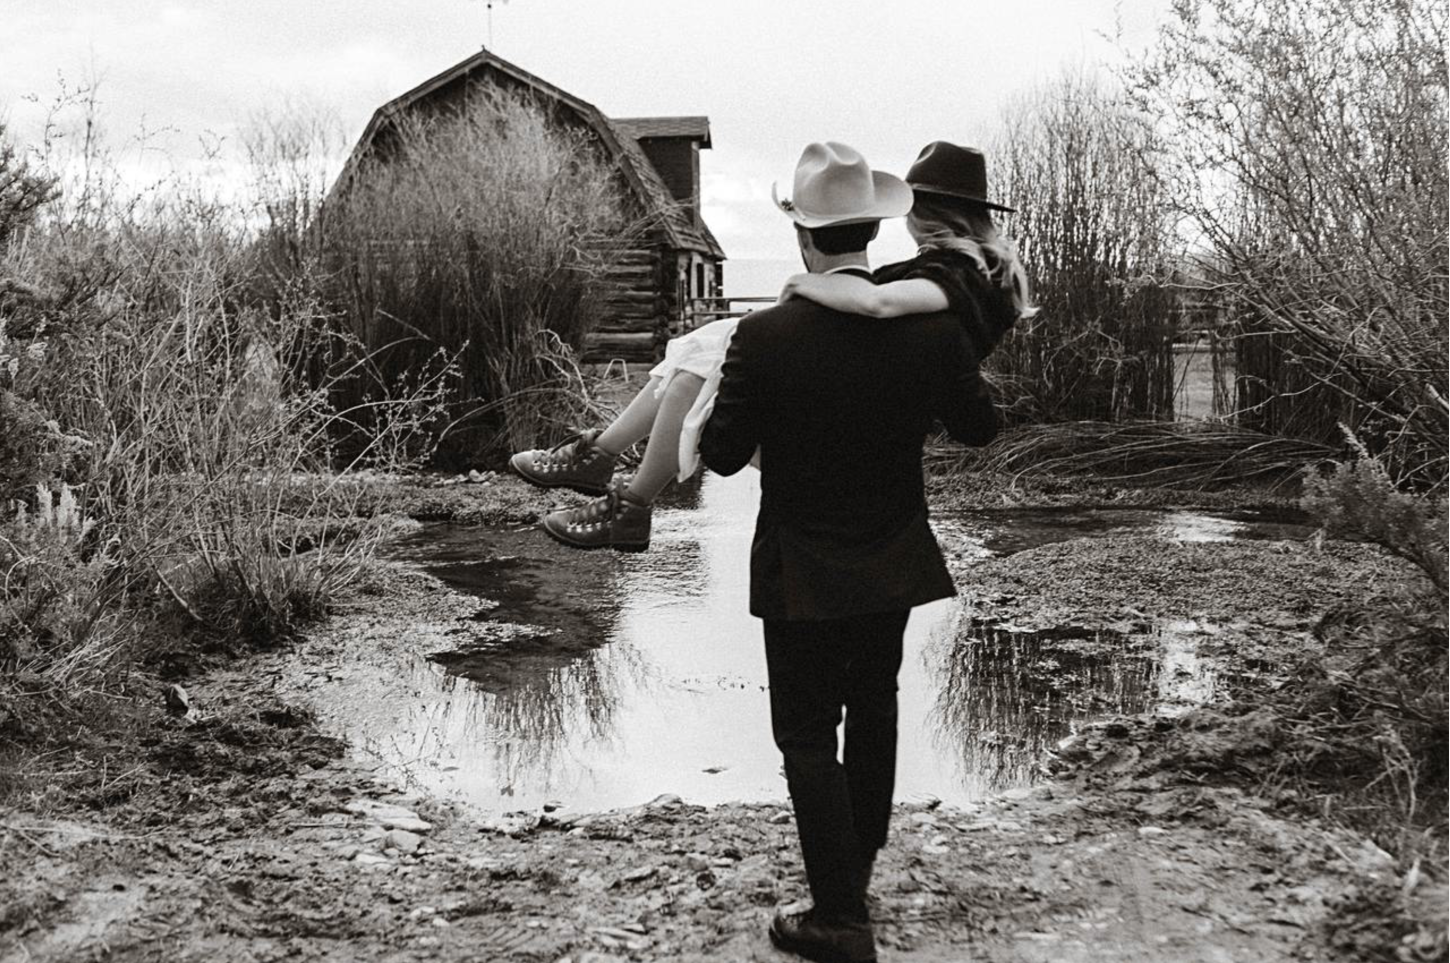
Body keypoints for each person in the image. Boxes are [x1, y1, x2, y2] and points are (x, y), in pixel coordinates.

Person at [698, 142, 1001, 963]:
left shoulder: (762, 336)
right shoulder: (932, 326)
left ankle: (840, 916)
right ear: (873, 229)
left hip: (799, 566)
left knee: (806, 734)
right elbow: (980, 426)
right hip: (892, 555)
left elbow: (722, 455)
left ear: (803, 236)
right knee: (874, 707)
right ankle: (853, 875)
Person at [508, 142, 1028, 554]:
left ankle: (624, 493)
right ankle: (603, 461)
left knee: (700, 365)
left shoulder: (961, 274)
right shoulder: (977, 269)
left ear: (925, 213)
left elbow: (878, 303)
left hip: (875, 387)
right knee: (697, 349)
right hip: (882, 397)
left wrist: (799, 288)